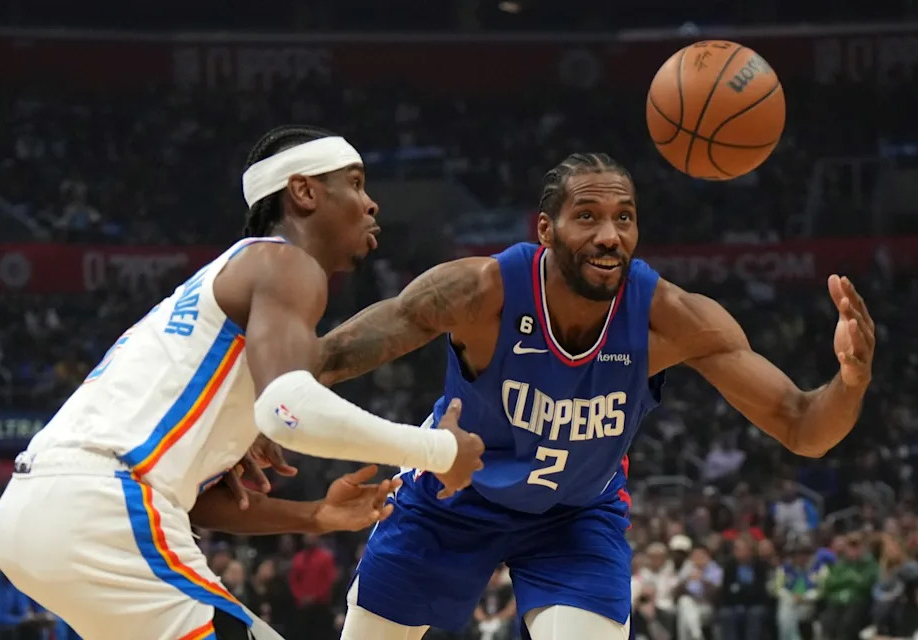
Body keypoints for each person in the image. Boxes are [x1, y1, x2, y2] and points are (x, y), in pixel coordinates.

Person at [318, 152, 877, 640]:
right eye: (587, 216)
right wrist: (266, 417)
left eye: (624, 217)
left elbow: (803, 427)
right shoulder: (481, 292)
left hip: (573, 517)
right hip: (450, 499)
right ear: (546, 229)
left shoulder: (669, 319)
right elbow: (332, 356)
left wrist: (851, 379)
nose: (610, 235)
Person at [0, 125, 483, 640]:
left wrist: (315, 515)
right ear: (304, 191)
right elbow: (289, 411)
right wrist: (438, 450)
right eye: (355, 183)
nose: (371, 203)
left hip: (41, 507)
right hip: (103, 506)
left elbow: (200, 498)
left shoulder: (229, 292)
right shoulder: (284, 262)